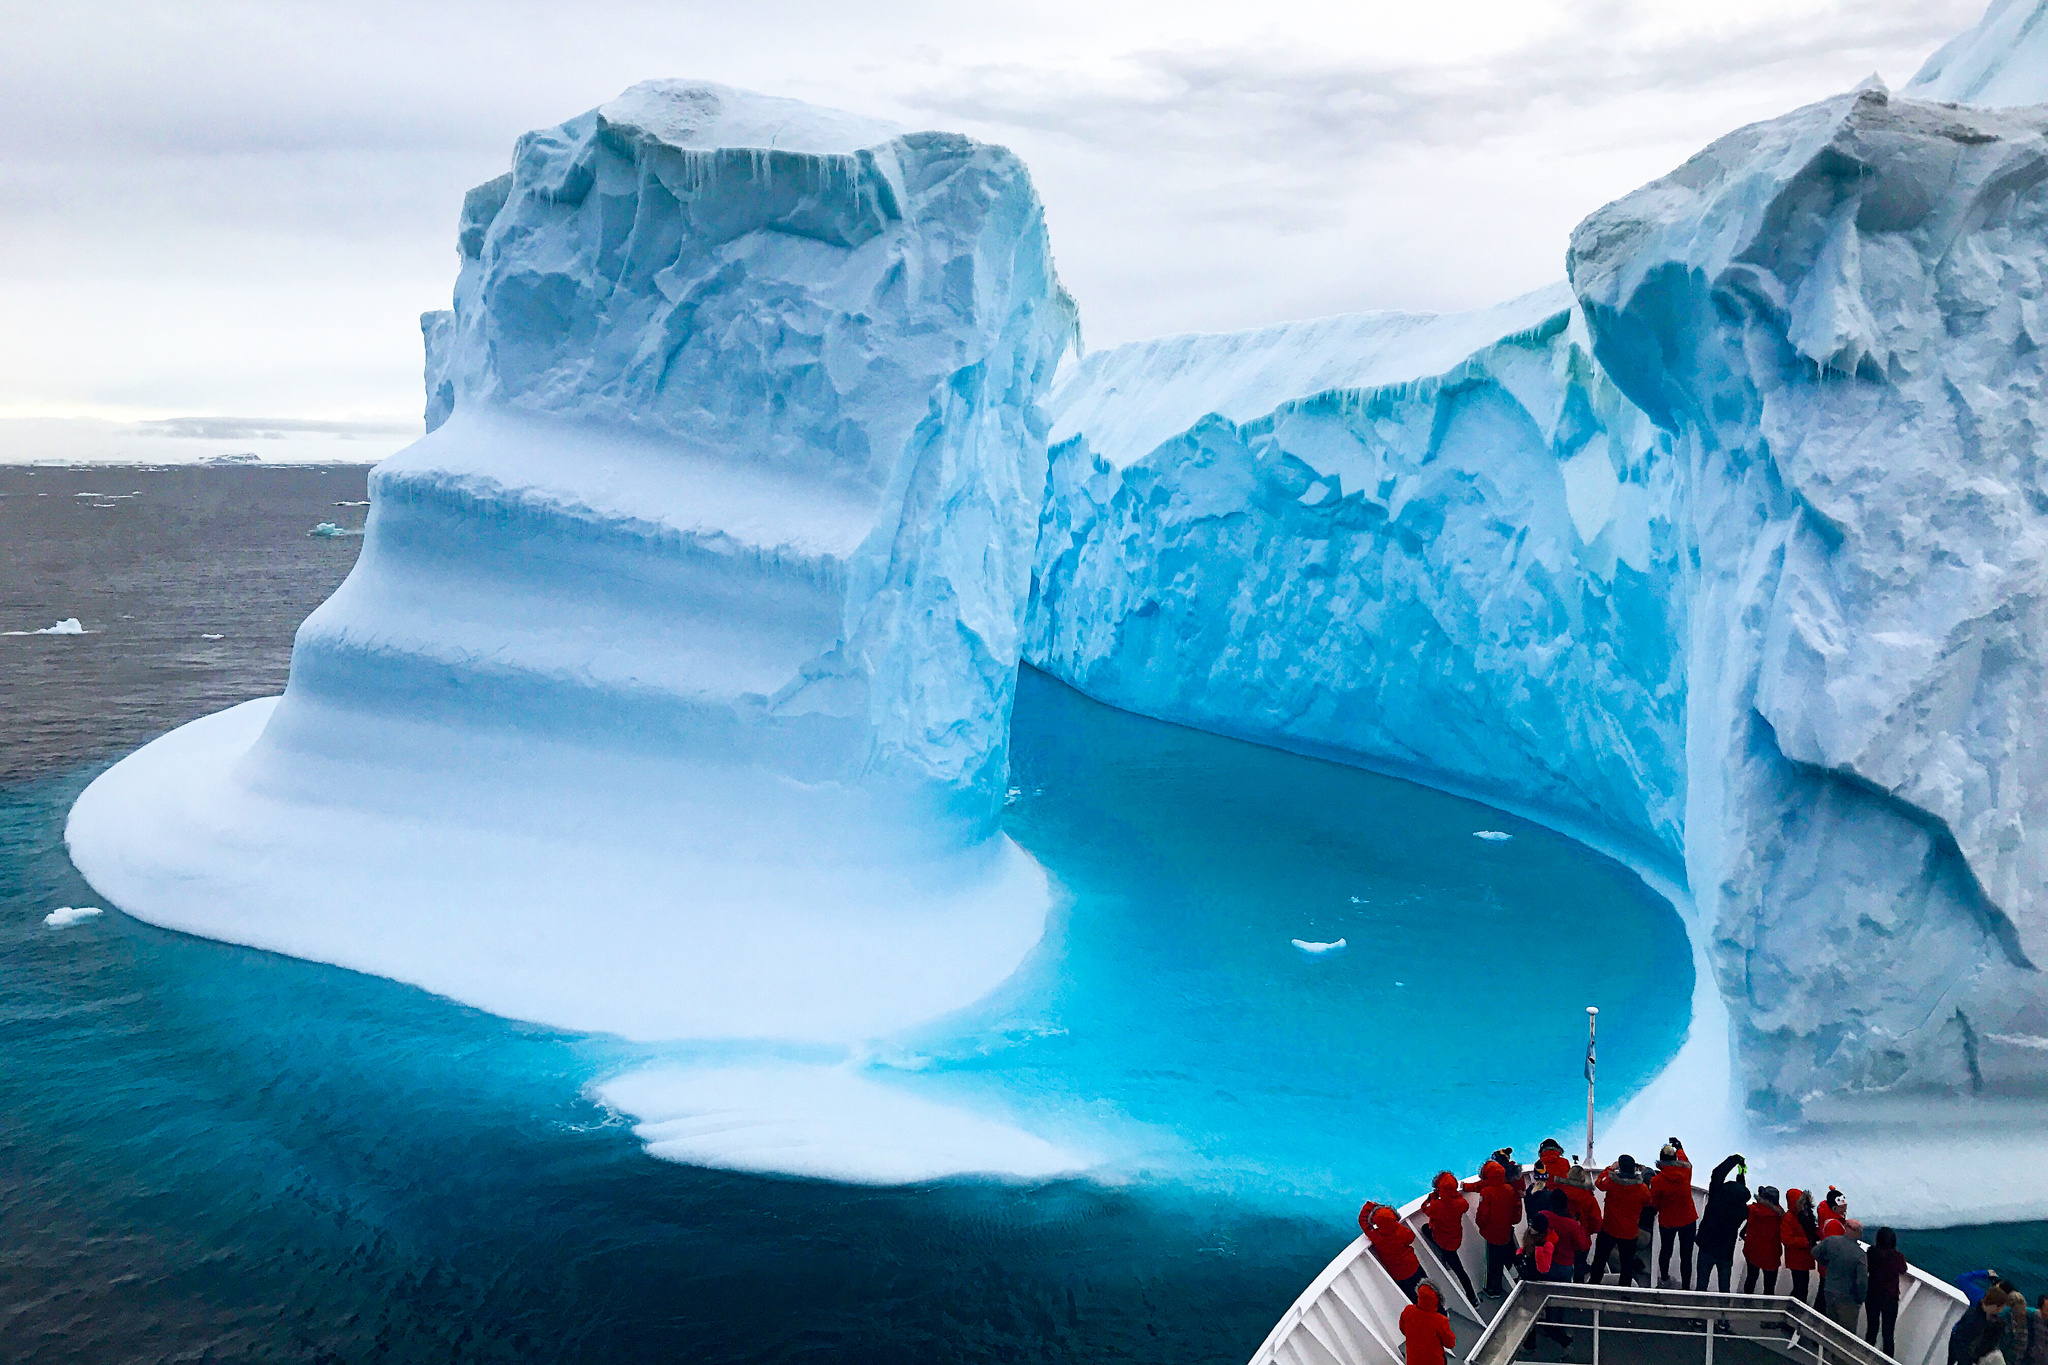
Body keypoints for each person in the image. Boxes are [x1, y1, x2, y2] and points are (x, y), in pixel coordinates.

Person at [1520, 1211, 1587, 1352]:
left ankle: (1559, 1341)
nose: (1530, 1228)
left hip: (1535, 1284)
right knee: (1534, 1317)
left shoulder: (1545, 1244)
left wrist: (1536, 1251)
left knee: (1531, 1316)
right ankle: (1555, 1339)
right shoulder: (1536, 1239)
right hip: (1531, 1282)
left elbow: (1543, 1268)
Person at [1591, 1155, 1653, 1287]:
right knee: (1627, 1266)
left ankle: (1593, 1285)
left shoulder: (1611, 1183)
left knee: (1599, 1261)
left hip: (1609, 1229)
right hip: (1629, 1233)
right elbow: (1648, 1202)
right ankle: (1624, 1293)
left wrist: (1610, 1169)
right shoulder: (1642, 1189)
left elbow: (1599, 1183)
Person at [1419, 1172, 1478, 1305]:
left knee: (1459, 1270)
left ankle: (1472, 1297)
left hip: (1443, 1240)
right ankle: (1472, 1297)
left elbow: (1425, 1209)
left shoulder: (1436, 1206)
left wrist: (1431, 1198)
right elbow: (1458, 1204)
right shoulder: (1461, 1203)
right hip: (1456, 1237)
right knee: (1457, 1265)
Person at [1468, 1160, 1521, 1298]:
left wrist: (1482, 1226)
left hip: (1492, 1233)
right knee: (1507, 1253)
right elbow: (1516, 1210)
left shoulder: (1487, 1192)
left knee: (1492, 1262)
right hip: (1506, 1230)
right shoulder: (1509, 1188)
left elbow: (1482, 1215)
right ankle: (1514, 1274)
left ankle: (1493, 1289)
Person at [1696, 1153, 1748, 1293]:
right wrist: (1741, 1175)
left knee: (1701, 1284)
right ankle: (1723, 1311)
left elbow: (1717, 1173)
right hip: (1725, 1250)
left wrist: (1734, 1160)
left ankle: (1697, 1311)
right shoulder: (1742, 1210)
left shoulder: (1717, 1198)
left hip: (1707, 1245)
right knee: (1724, 1287)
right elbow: (1740, 1194)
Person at [1649, 1139, 1698, 1289]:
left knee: (1666, 1250)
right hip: (1688, 1219)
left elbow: (1654, 1204)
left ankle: (1664, 1278)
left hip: (1668, 1221)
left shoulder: (1657, 1180)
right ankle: (1685, 1287)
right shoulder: (1686, 1171)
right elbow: (1685, 1160)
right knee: (1686, 1255)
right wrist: (1679, 1147)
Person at [1360, 1201, 1426, 1301]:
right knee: (1426, 1289)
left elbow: (1362, 1221)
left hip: (1399, 1274)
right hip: (1413, 1265)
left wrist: (1370, 1205)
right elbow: (1411, 1238)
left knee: (1413, 1297)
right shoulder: (1401, 1231)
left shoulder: (1377, 1237)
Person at [1814, 1214, 1868, 1334]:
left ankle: (1827, 1351)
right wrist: (1861, 1298)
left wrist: (1825, 1263)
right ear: (1858, 1233)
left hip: (1829, 1291)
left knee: (1831, 1326)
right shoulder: (1860, 1255)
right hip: (1847, 1297)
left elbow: (1815, 1252)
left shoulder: (1831, 1241)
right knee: (1846, 1333)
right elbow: (1861, 1280)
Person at [1864, 1227, 1907, 1358]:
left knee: (1872, 1328)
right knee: (1888, 1333)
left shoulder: (1871, 1252)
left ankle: (1864, 1356)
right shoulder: (1897, 1257)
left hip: (1872, 1295)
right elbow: (1903, 1269)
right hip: (1890, 1298)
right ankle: (1887, 1360)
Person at [1562, 1165, 1603, 1281]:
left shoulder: (1561, 1193)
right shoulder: (1589, 1198)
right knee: (1579, 1266)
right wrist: (1590, 1230)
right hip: (1581, 1237)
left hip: (1564, 1236)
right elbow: (1596, 1221)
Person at [1400, 1281, 1457, 1365]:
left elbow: (1403, 1329)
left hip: (1413, 1360)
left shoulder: (1408, 1310)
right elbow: (1450, 1343)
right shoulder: (1440, 1320)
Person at [1742, 1186, 1784, 1295]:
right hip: (1771, 1255)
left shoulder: (1753, 1209)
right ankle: (1767, 1308)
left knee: (1751, 1278)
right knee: (1769, 1286)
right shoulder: (1781, 1215)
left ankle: (1745, 1304)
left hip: (1752, 1251)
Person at [1782, 1188, 1818, 1304]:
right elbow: (1786, 1239)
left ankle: (1795, 1310)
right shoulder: (1789, 1218)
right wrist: (1806, 1241)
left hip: (1803, 1257)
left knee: (1802, 1286)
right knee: (1800, 1287)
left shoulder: (1802, 1215)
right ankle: (1794, 1310)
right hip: (1797, 1259)